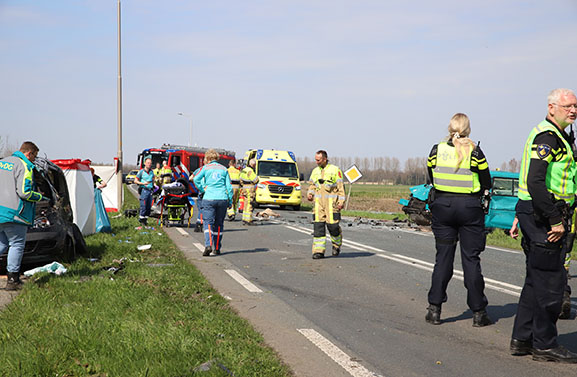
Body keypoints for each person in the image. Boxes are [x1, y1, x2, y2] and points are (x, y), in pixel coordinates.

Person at [510, 88, 577, 363]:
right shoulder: (547, 137)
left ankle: (522, 339)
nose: (573, 110)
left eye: (575, 106)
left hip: (534, 212)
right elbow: (535, 181)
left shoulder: (558, 135)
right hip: (545, 217)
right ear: (552, 108)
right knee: (551, 282)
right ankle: (545, 345)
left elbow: (530, 183)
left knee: (534, 281)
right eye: (568, 106)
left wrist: (521, 212)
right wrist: (555, 220)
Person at [425, 113, 493, 327]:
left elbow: (430, 175)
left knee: (443, 259)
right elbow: (486, 181)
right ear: (468, 129)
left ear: (450, 127)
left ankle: (434, 309)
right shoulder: (475, 151)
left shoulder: (437, 149)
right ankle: (479, 313)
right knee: (471, 260)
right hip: (470, 208)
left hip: (443, 207)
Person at [0, 141, 43, 290]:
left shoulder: (2, 163)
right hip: (14, 214)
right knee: (16, 244)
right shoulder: (25, 166)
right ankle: (12, 281)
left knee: (2, 243)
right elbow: (24, 192)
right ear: (29, 153)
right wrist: (40, 197)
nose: (34, 160)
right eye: (34, 156)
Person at [192, 149, 233, 256]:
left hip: (209, 198)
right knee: (219, 224)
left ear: (208, 158)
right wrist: (230, 200)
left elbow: (196, 179)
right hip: (222, 198)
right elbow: (229, 187)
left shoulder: (206, 168)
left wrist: (202, 189)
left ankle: (208, 245)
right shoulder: (224, 169)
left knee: (208, 223)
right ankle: (217, 247)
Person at [307, 150, 346, 259]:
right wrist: (310, 194)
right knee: (318, 227)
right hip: (318, 205)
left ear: (324, 159)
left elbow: (341, 188)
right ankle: (318, 251)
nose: (316, 162)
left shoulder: (335, 170)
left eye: (318, 160)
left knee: (333, 227)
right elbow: (312, 186)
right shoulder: (315, 171)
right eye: (315, 159)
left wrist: (341, 202)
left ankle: (336, 244)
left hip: (332, 206)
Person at [134, 156, 155, 225]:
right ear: (145, 163)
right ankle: (141, 220)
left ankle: (145, 219)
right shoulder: (141, 172)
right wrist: (143, 183)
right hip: (144, 190)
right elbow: (135, 181)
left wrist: (154, 185)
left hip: (150, 190)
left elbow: (153, 179)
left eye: (150, 163)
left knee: (149, 206)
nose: (149, 164)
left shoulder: (152, 172)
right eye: (148, 163)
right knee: (143, 205)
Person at [240, 159, 258, 225]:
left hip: (244, 187)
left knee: (245, 204)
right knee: (250, 204)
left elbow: (240, 179)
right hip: (250, 188)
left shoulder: (244, 170)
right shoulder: (250, 171)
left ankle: (244, 218)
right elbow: (256, 180)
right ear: (253, 165)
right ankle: (248, 220)